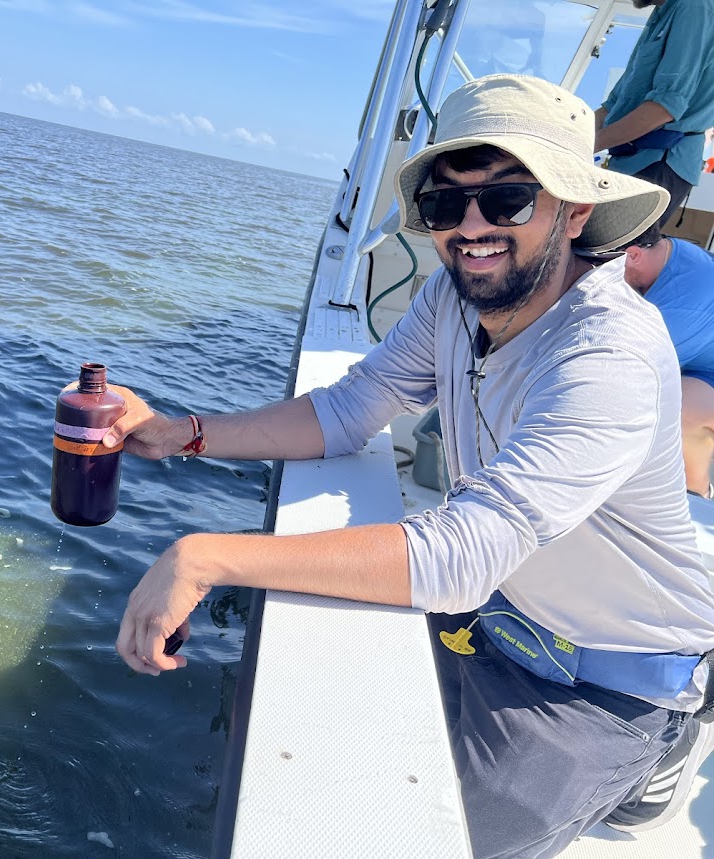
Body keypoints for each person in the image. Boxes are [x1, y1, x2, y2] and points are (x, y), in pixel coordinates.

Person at [102, 75, 714, 859]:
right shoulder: (452, 299)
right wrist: (178, 431)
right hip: (493, 616)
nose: (470, 227)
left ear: (575, 210)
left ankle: (654, 756)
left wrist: (207, 555)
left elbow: (461, 554)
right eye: (443, 202)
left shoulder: (609, 353)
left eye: (507, 200)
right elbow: (348, 408)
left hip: (601, 683)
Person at [593, 0, 714, 227]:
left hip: (659, 162)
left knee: (608, 257)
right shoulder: (661, 13)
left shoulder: (694, 7)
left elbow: (664, 107)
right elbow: (613, 104)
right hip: (627, 161)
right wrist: (565, 138)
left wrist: (586, 146)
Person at [623, 224, 714, 498]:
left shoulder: (676, 314)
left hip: (702, 372)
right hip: (700, 365)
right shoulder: (672, 250)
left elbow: (618, 377)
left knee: (677, 407)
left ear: (633, 255)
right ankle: (694, 490)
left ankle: (693, 490)